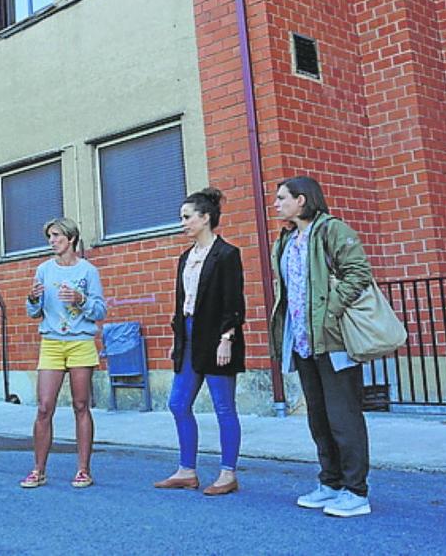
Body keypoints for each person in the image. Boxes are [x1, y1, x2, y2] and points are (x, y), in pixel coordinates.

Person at [270, 175, 374, 518]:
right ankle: (330, 483)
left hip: (334, 341)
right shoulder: (286, 240)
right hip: (303, 344)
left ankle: (356, 491)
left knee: (343, 417)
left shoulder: (332, 230)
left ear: (302, 200)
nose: (277, 203)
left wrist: (330, 310)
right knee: (318, 418)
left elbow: (358, 273)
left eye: (283, 198)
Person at [154, 187, 246, 496]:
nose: (182, 223)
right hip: (189, 336)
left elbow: (233, 300)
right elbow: (182, 303)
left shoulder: (227, 254)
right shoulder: (185, 258)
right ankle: (186, 470)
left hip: (217, 335)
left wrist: (227, 337)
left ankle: (227, 473)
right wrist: (178, 339)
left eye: (187, 217)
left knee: (223, 407)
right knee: (178, 403)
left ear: (205, 218)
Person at [20, 218, 107, 490]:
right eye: (49, 236)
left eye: (56, 235)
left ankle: (83, 470)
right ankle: (38, 470)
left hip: (80, 342)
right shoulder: (43, 270)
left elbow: (101, 310)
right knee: (44, 407)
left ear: (70, 238)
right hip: (52, 343)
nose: (52, 241)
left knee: (81, 405)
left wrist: (81, 300)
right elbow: (33, 312)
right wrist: (33, 299)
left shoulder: (88, 271)